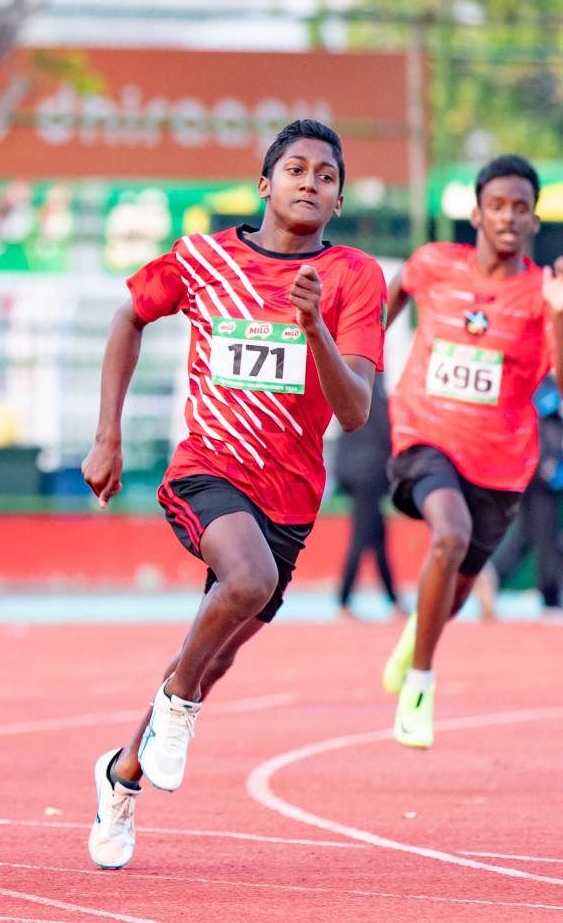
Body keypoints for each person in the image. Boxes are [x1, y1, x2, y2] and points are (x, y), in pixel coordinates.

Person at [81, 120, 387, 870]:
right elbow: (128, 316)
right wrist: (108, 436)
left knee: (211, 651)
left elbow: (354, 411)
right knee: (245, 583)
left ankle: (121, 776)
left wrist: (313, 324)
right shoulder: (204, 256)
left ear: (339, 199)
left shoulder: (353, 277)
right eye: (296, 169)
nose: (310, 182)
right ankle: (178, 711)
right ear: (265, 183)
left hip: (290, 498)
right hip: (208, 470)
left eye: (325, 175)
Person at [379, 154, 563, 748]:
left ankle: (418, 634)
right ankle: (422, 685)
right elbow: (396, 292)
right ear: (476, 213)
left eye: (521, 208)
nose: (509, 217)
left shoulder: (543, 293)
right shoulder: (434, 264)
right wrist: (359, 359)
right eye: (498, 206)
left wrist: (557, 317)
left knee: (459, 580)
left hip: (503, 461)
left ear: (533, 221)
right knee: (448, 535)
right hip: (424, 438)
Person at [480, 377, 563, 618]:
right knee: (546, 535)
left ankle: (493, 573)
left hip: (532, 468)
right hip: (540, 469)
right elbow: (542, 416)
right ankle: (550, 596)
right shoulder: (542, 385)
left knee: (527, 534)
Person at [333, 375, 398, 617]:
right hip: (367, 473)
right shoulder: (376, 393)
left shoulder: (353, 385)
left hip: (350, 470)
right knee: (361, 536)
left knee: (378, 537)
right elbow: (389, 433)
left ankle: (393, 600)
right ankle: (342, 602)